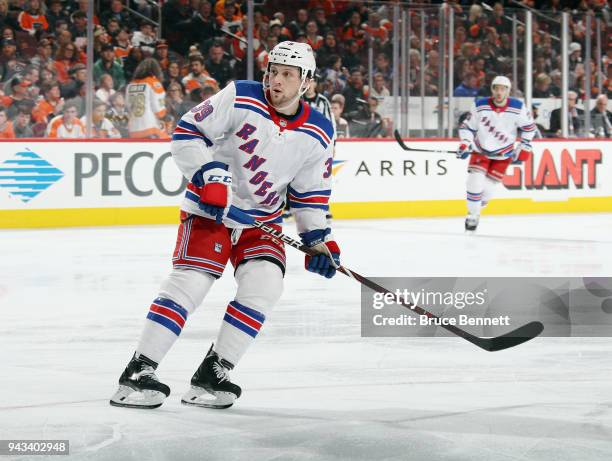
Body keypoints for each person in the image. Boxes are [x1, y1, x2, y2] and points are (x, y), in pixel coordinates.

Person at [110, 41, 337, 410]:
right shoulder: (240, 95)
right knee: (191, 284)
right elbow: (188, 132)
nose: (275, 80)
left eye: (287, 75)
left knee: (265, 286)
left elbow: (310, 193)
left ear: (306, 82)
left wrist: (319, 239)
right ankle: (138, 372)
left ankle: (212, 374)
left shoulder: (319, 131)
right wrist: (210, 175)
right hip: (211, 211)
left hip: (260, 222)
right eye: (272, 71)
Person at [457, 76, 535, 231]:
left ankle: (476, 208)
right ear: (492, 89)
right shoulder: (480, 105)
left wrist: (524, 145)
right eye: (496, 88)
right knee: (474, 182)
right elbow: (467, 127)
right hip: (481, 151)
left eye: (503, 89)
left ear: (508, 90)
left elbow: (529, 128)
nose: (499, 92)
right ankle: (473, 215)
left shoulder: (518, 107)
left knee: (487, 192)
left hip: (503, 155)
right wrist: (465, 143)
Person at [126, 57, 168, 138]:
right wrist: (165, 115)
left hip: (133, 128)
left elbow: (128, 106)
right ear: (156, 70)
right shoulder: (154, 83)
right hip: (150, 127)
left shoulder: (130, 85)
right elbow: (159, 110)